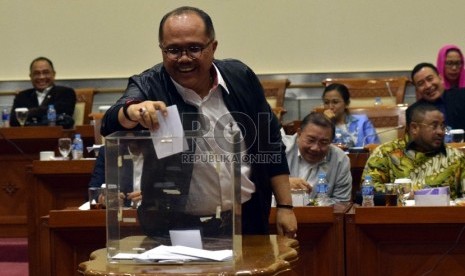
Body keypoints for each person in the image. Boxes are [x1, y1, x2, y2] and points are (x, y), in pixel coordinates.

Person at [100, 6, 297, 237]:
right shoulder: (149, 85)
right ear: (162, 50)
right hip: (178, 226)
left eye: (194, 48)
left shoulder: (240, 77)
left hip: (247, 217)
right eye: (173, 50)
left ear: (213, 47)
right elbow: (111, 122)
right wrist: (132, 110)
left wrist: (285, 206)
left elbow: (270, 142)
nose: (184, 58)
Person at [362, 101, 465, 199]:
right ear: (414, 128)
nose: (440, 132)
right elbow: (368, 190)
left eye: (442, 126)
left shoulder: (455, 157)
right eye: (434, 126)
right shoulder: (386, 153)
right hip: (398, 215)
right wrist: (402, 193)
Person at [282, 112, 352, 202]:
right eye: (310, 140)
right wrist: (282, 184)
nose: (315, 148)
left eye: (323, 142)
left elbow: (342, 202)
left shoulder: (340, 160)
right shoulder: (278, 149)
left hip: (322, 215)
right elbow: (259, 184)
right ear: (299, 133)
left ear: (330, 142)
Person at [9, 57, 76, 127]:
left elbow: (63, 115)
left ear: (54, 74)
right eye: (36, 73)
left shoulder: (66, 92)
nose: (41, 77)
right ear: (30, 76)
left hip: (57, 136)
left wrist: (28, 114)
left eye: (46, 72)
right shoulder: (22, 96)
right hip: (27, 136)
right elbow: (14, 122)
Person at [322, 83, 379, 147]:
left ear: (347, 103)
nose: (330, 107)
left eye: (335, 102)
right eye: (326, 102)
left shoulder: (362, 121)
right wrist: (326, 122)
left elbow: (376, 147)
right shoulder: (321, 125)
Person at [411, 62, 465, 130]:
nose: (428, 86)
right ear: (417, 90)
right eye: (421, 84)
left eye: (430, 79)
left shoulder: (462, 97)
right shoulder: (412, 112)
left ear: (440, 78)